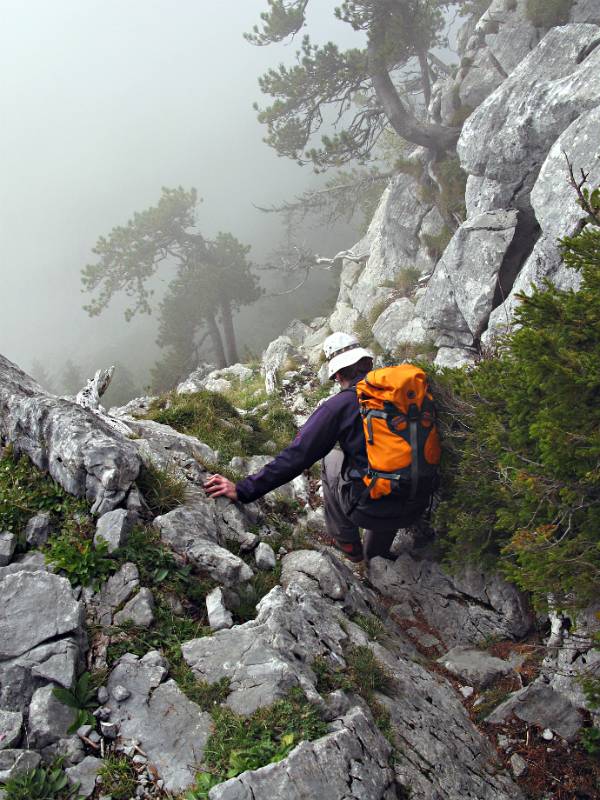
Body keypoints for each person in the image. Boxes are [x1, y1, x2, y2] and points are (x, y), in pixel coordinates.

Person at [204, 332, 430, 562]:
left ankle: (348, 542)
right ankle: (376, 553)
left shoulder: (338, 406)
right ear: (368, 363)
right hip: (418, 501)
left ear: (338, 374)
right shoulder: (405, 392)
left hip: (372, 510)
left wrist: (243, 490)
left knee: (331, 458)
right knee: (385, 467)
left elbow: (297, 457)